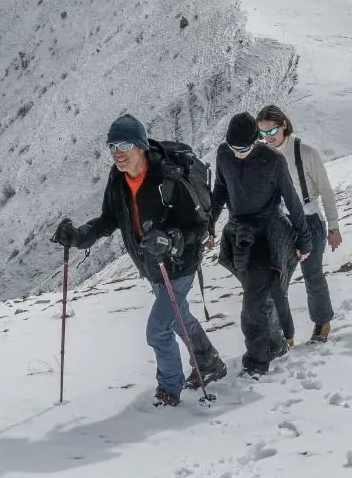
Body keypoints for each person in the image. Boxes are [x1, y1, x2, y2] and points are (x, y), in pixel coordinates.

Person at [51, 114, 227, 407]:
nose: (117, 152)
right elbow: (110, 219)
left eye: (124, 144)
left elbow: (197, 227)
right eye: (112, 146)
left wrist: (170, 240)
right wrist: (79, 237)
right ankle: (210, 363)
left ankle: (169, 389)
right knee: (178, 315)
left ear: (141, 146)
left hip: (179, 265)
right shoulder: (118, 180)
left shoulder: (168, 178)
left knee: (158, 330)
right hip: (151, 266)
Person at [209, 111, 313, 377]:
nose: (238, 153)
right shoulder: (224, 155)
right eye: (233, 147)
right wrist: (209, 224)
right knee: (260, 296)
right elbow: (220, 189)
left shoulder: (273, 160)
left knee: (253, 303)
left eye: (243, 148)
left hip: (268, 234)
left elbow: (292, 201)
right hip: (238, 235)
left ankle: (256, 362)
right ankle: (276, 344)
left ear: (256, 141)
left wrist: (304, 239)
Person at [257, 105, 339, 343]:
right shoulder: (264, 156)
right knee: (276, 282)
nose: (267, 137)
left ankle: (322, 322)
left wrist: (333, 227)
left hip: (310, 220)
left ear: (283, 124)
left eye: (271, 130)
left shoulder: (305, 153)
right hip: (281, 224)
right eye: (261, 133)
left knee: (312, 275)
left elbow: (326, 191)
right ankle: (284, 333)